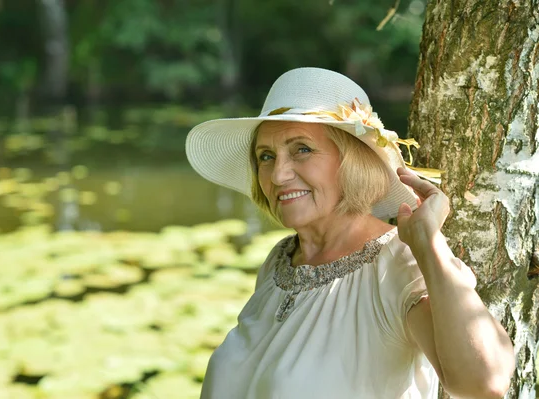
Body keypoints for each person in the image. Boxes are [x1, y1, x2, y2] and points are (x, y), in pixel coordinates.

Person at [185, 67, 515, 399]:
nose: (278, 175)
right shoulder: (279, 261)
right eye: (266, 157)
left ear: (353, 161)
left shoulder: (398, 263)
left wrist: (429, 245)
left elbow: (483, 386)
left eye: (302, 149)